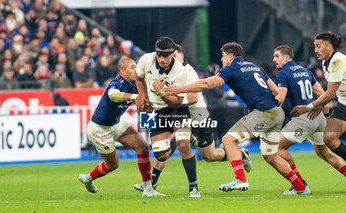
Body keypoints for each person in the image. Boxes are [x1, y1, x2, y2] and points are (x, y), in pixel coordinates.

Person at [164, 42, 310, 195]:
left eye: (223, 56)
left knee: (228, 140)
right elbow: (276, 91)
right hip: (277, 112)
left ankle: (240, 179)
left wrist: (179, 89)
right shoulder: (256, 67)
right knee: (271, 156)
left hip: (264, 112)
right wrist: (270, 106)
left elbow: (208, 83)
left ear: (231, 56)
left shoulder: (231, 68)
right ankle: (301, 187)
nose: (222, 60)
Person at [133, 44, 252, 192]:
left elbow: (193, 98)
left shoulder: (187, 72)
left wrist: (169, 99)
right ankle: (151, 184)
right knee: (167, 143)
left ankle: (239, 154)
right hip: (179, 115)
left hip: (198, 119)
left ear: (181, 57)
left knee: (209, 156)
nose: (170, 60)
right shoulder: (164, 72)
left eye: (174, 56)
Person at [78, 56, 162, 198]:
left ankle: (148, 189)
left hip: (116, 123)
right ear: (122, 71)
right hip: (99, 129)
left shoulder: (136, 84)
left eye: (136, 66)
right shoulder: (116, 83)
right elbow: (113, 96)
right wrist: (135, 97)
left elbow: (146, 102)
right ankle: (88, 179)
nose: (136, 69)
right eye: (132, 67)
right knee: (113, 164)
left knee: (143, 147)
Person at [273, 45, 346, 194]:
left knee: (275, 148)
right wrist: (324, 117)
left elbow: (280, 98)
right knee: (325, 153)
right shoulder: (305, 71)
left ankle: (300, 186)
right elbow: (321, 93)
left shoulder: (283, 74)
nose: (274, 59)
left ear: (287, 57)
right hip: (317, 116)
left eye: (277, 56)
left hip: (303, 118)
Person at [135, 36, 200, 198]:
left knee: (184, 144)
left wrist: (158, 92)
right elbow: (138, 77)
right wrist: (143, 97)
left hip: (178, 109)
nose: (162, 59)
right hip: (157, 110)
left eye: (165, 55)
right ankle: (172, 142)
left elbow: (177, 103)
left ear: (173, 53)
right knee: (160, 154)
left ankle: (194, 187)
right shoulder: (145, 60)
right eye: (159, 55)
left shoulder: (180, 71)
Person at [292, 31, 346, 165]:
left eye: (319, 46)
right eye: (315, 46)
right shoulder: (325, 63)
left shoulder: (338, 60)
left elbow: (330, 93)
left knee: (329, 138)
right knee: (329, 138)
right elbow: (330, 92)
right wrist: (320, 105)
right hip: (343, 103)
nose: (315, 50)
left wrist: (310, 107)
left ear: (329, 46)